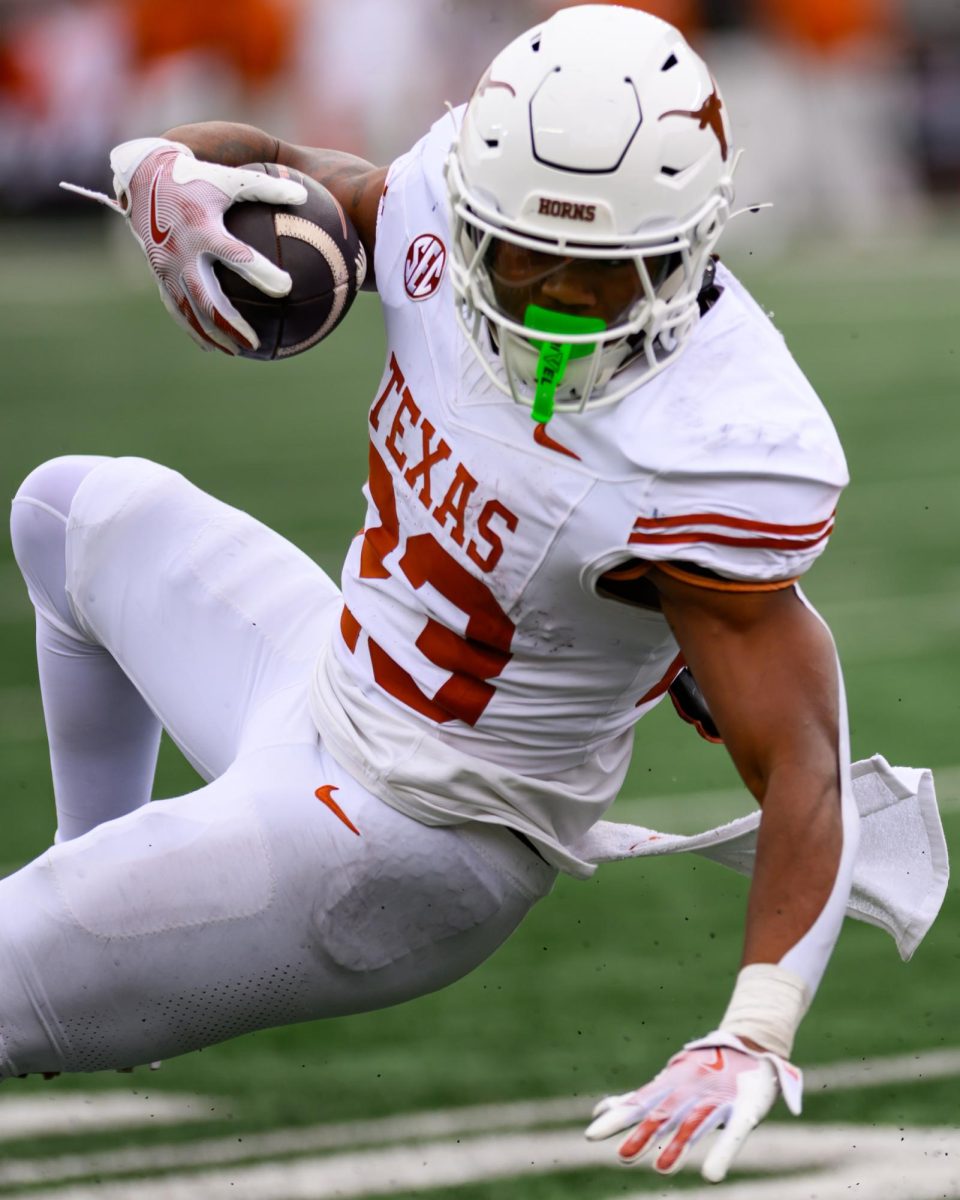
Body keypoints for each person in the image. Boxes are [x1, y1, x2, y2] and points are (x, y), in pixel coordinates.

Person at [5, 3, 935, 1184]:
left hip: (410, 839)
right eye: (519, 249)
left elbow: (806, 759)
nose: (545, 291)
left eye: (594, 268)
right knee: (71, 506)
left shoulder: (720, 441)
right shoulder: (450, 196)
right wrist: (163, 172)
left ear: (693, 241)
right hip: (322, 680)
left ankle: (87, 931)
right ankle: (104, 875)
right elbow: (291, 172)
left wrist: (751, 1030)